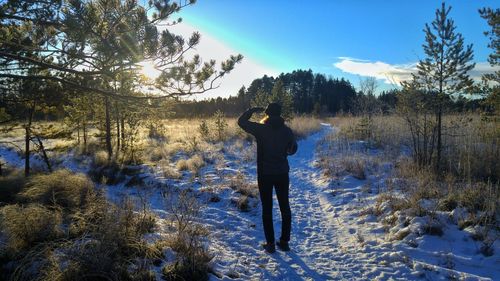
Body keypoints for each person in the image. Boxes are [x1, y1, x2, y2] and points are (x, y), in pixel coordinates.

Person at [238, 103, 298, 253]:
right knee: (285, 207)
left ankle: (270, 244)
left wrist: (251, 110)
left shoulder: (261, 129)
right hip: (282, 173)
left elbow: (241, 122)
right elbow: (293, 149)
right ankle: (284, 242)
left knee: (267, 209)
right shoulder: (287, 131)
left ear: (267, 114)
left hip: (265, 174)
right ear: (280, 114)